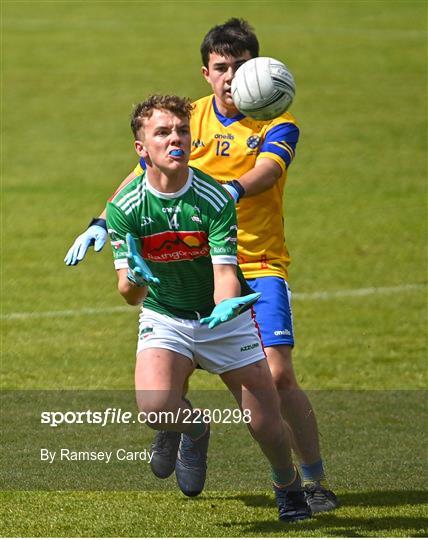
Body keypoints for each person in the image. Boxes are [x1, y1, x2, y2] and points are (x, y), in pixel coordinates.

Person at [65, 19, 337, 513]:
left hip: (256, 259)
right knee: (172, 373)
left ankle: (312, 480)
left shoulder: (277, 117)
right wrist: (102, 222)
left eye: (239, 67)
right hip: (189, 257)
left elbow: (269, 168)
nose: (230, 77)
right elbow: (140, 173)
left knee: (277, 376)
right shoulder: (187, 116)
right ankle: (177, 429)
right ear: (206, 72)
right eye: (220, 68)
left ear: (256, 67)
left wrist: (226, 192)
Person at [107, 94, 311, 523]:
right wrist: (138, 278)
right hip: (166, 317)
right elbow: (128, 293)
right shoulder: (123, 209)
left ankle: (288, 486)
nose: (175, 138)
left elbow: (224, 274)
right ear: (141, 148)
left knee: (265, 425)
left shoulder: (213, 199)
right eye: (162, 132)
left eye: (182, 130)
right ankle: (194, 430)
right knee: (154, 406)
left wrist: (223, 308)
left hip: (222, 323)